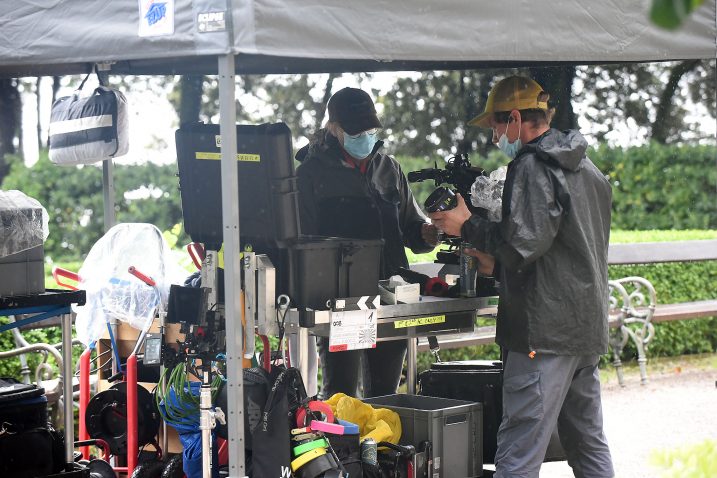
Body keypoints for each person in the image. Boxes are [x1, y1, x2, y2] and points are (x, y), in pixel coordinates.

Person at [429, 76, 614, 478]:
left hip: (542, 333)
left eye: (496, 126)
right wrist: (499, 266)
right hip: (584, 329)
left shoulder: (532, 166)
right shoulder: (589, 169)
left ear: (515, 119)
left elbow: (519, 244)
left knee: (519, 447)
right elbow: (562, 250)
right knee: (587, 443)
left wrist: (466, 226)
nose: (495, 136)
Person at [296, 87, 438, 398]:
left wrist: (426, 234)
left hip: (392, 296)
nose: (365, 136)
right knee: (341, 394)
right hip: (343, 303)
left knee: (386, 393)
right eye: (356, 130)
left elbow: (412, 228)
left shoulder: (389, 168)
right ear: (334, 129)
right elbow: (301, 243)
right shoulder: (310, 173)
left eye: (370, 129)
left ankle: (381, 447)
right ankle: (341, 447)